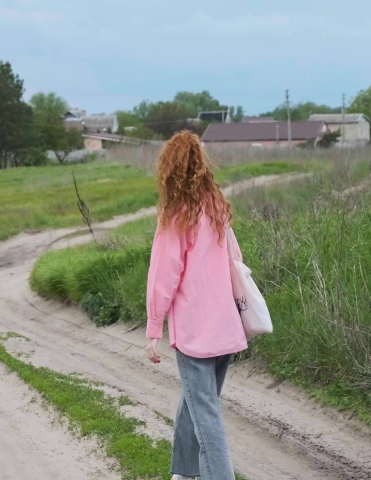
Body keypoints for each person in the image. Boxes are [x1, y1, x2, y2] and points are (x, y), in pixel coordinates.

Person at [144, 131, 247, 480]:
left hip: (195, 332)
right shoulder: (216, 206)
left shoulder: (176, 214)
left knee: (206, 416)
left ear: (169, 168)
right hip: (226, 326)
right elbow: (235, 259)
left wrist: (153, 328)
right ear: (200, 164)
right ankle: (184, 473)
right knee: (198, 403)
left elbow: (163, 275)